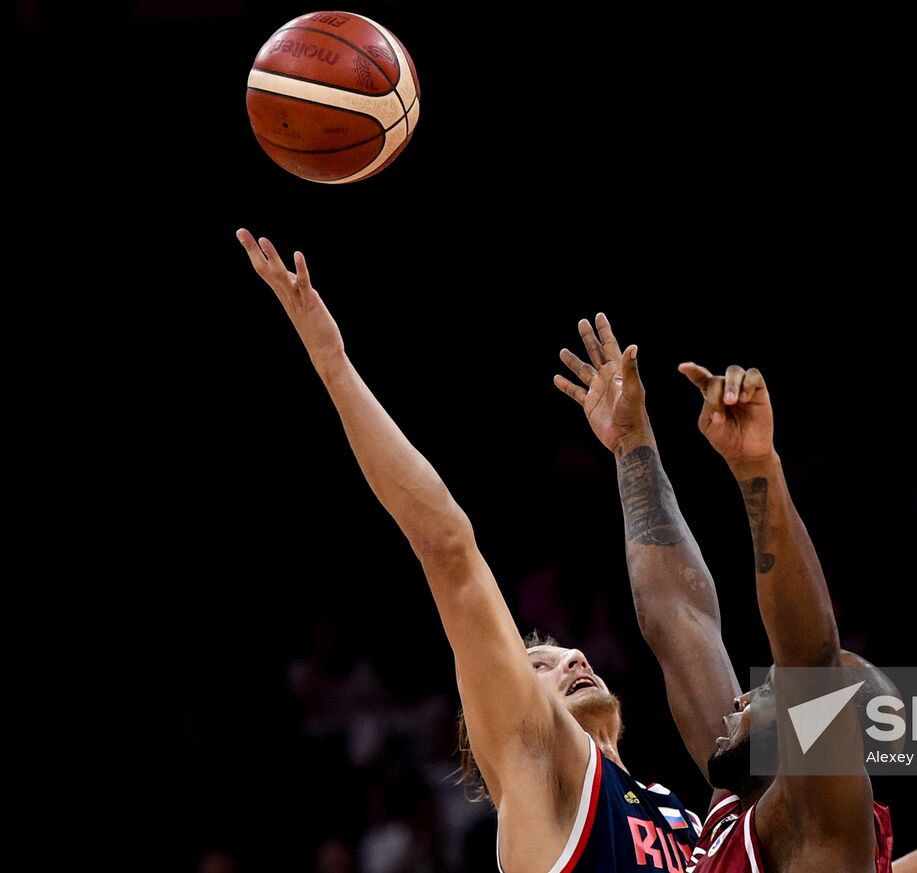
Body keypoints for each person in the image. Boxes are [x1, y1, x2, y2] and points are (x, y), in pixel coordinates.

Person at [235, 232, 702, 873]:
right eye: (538, 661)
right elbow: (449, 549)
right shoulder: (538, 757)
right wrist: (333, 363)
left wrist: (641, 449)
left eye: (561, 652)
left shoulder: (693, 824)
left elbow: (682, 618)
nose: (572, 655)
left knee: (840, 713)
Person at [555, 315, 917, 872]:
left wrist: (757, 469)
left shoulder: (812, 827)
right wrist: (631, 442)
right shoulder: (748, 807)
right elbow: (677, 618)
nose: (742, 695)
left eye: (769, 691)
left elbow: (809, 656)